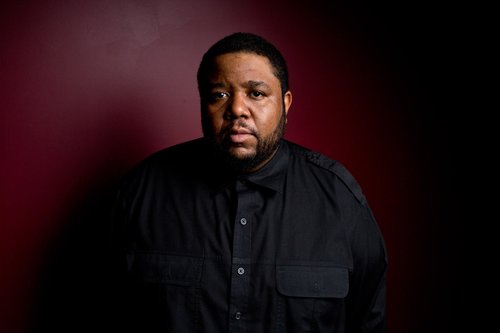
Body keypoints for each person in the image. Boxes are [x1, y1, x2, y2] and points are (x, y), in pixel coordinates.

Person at [109, 32, 387, 333]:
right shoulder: (142, 192)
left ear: (286, 103)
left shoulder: (338, 198)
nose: (237, 109)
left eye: (256, 93)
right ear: (203, 103)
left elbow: (368, 321)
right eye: (219, 95)